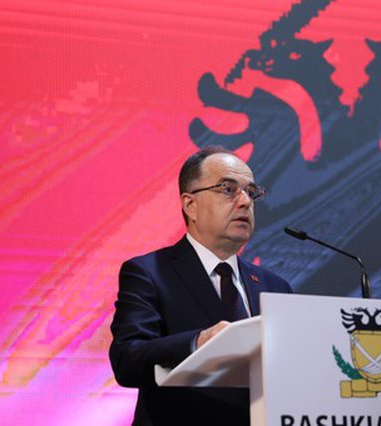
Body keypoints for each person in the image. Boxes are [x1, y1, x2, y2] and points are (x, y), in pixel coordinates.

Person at [109, 146, 292, 425]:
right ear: (190, 205)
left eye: (250, 192)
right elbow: (127, 359)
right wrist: (198, 342)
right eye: (228, 190)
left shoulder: (275, 286)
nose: (245, 201)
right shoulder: (149, 272)